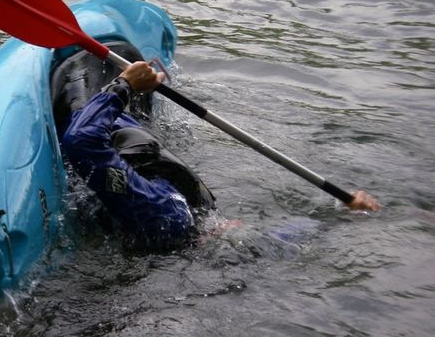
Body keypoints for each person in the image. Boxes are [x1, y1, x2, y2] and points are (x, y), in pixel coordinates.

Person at [57, 58, 381, 249]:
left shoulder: (161, 212)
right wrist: (344, 213)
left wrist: (123, 86)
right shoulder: (189, 207)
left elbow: (81, 139)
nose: (234, 225)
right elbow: (286, 237)